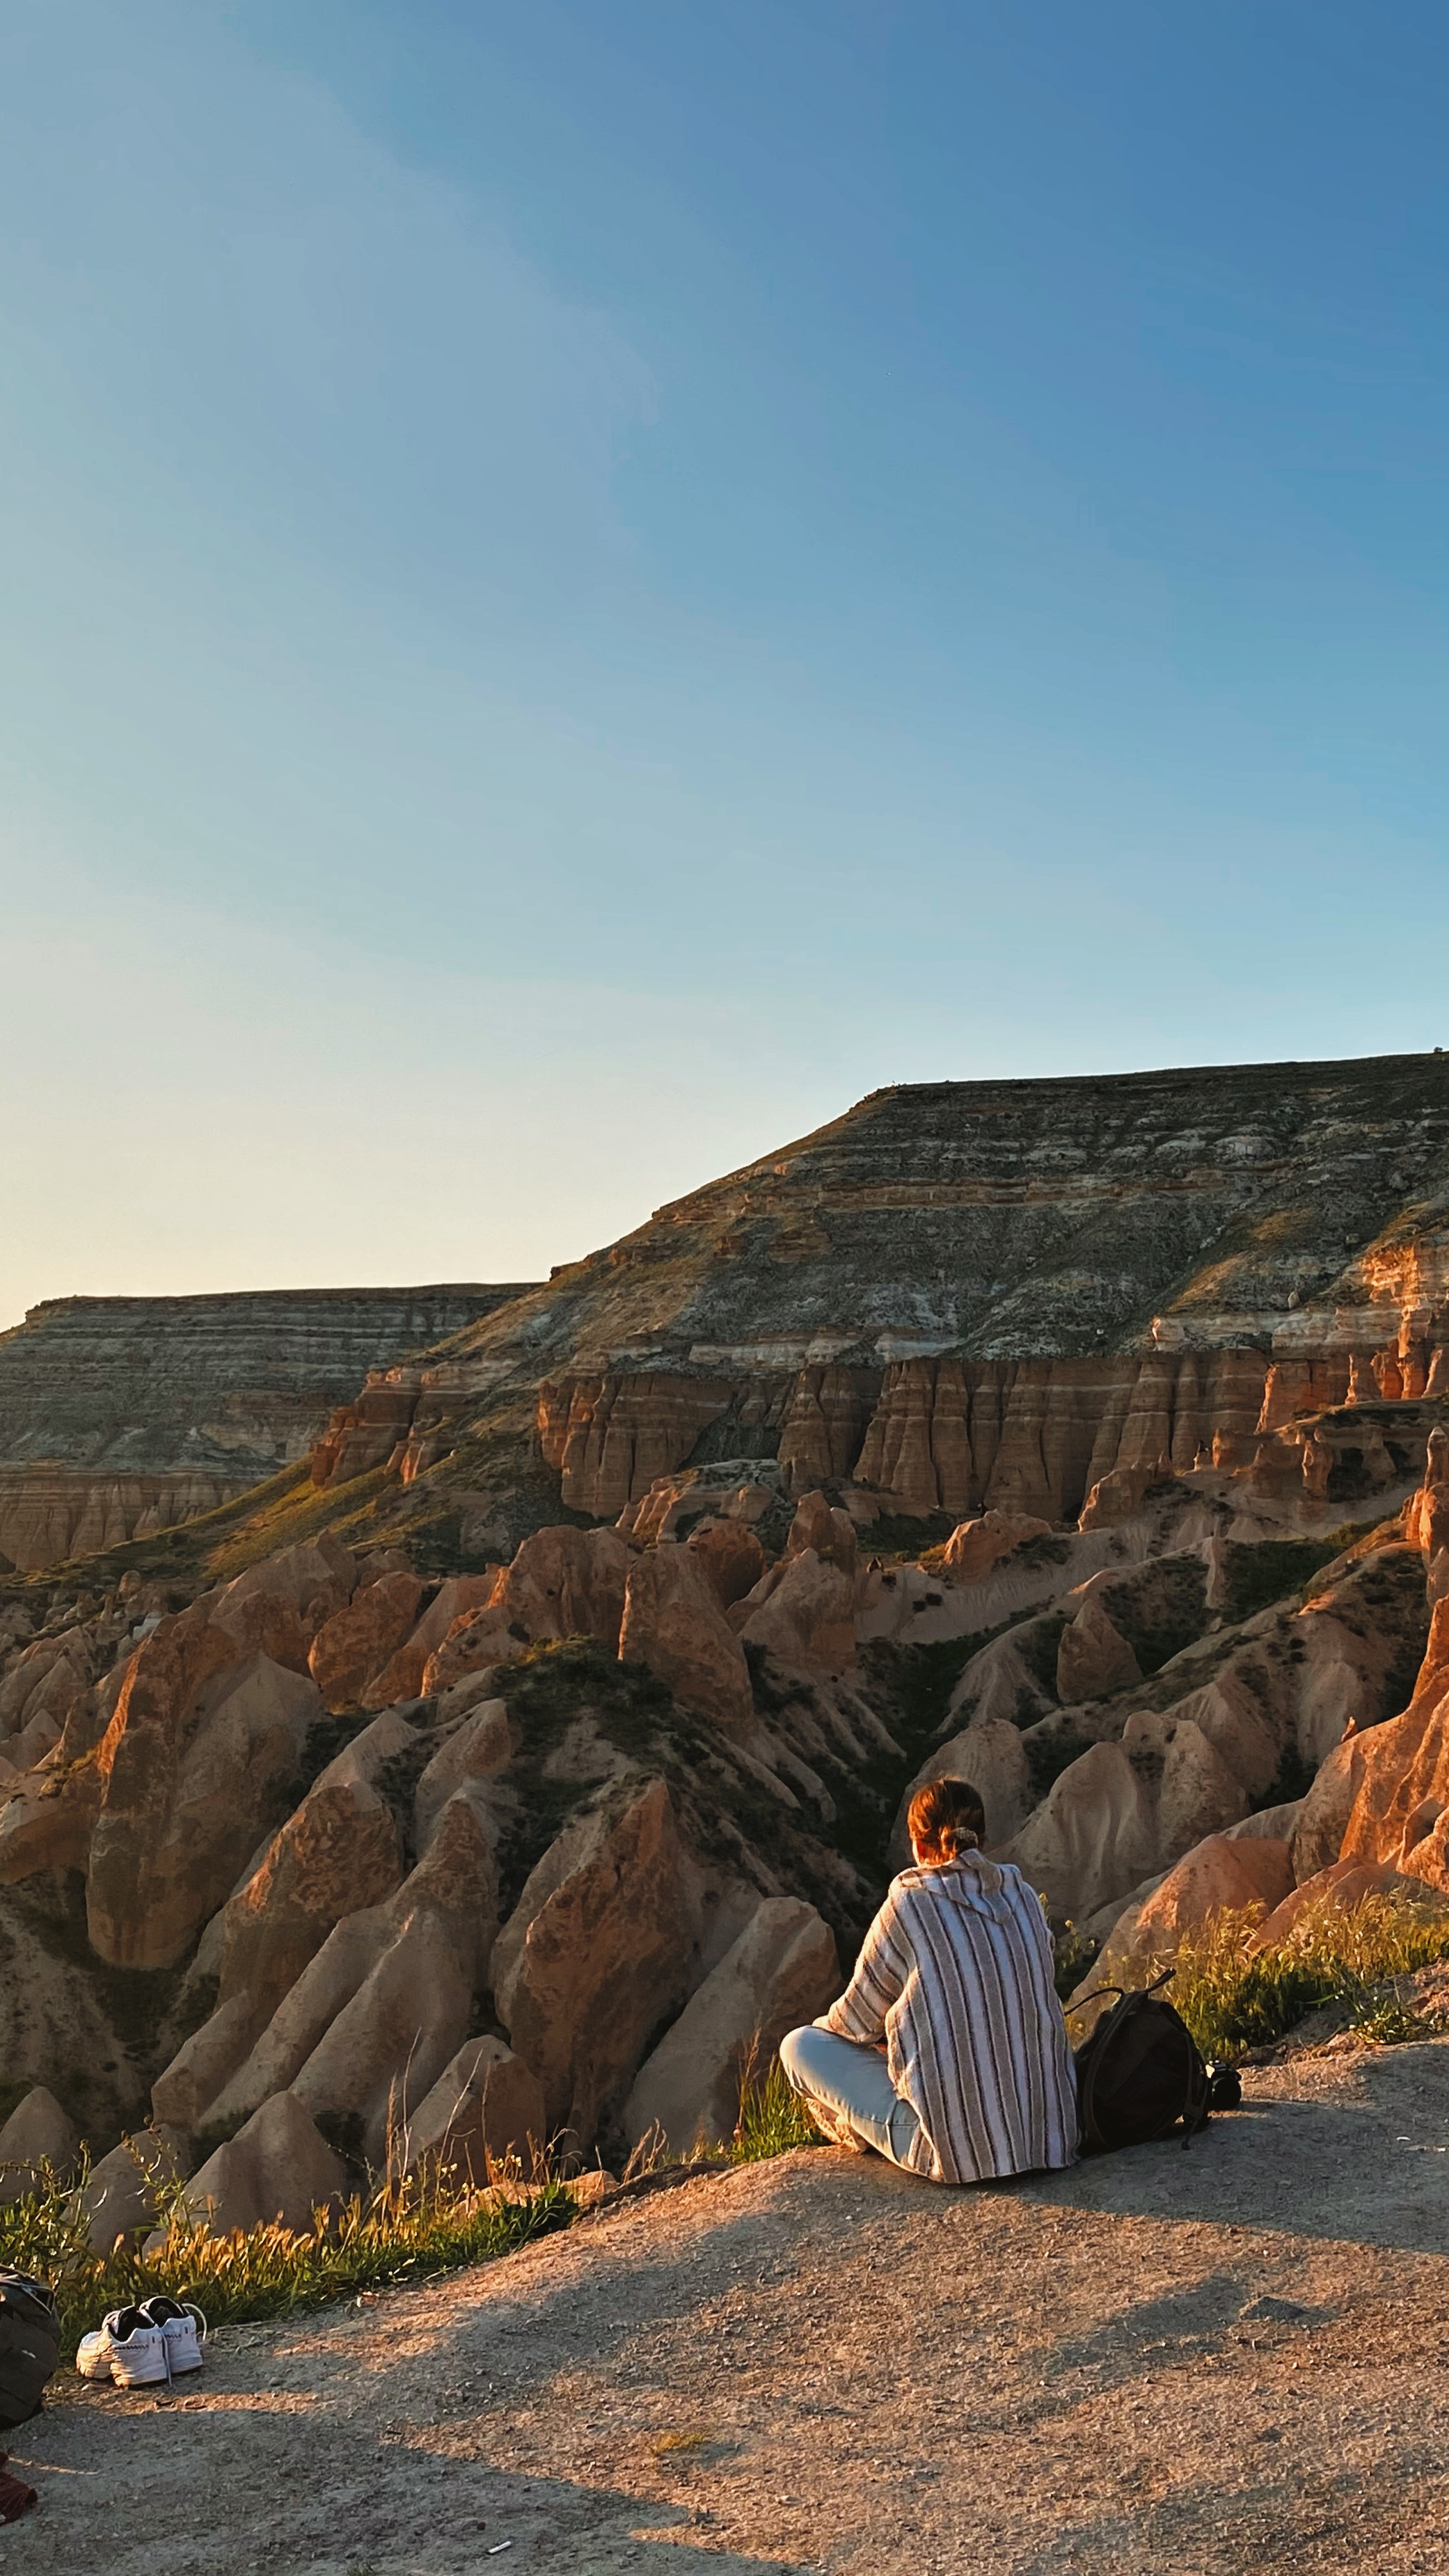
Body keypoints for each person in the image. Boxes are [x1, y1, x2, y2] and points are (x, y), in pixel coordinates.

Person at [779, 1775, 1077, 2184]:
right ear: (981, 1839)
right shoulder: (1022, 1895)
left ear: (918, 1847)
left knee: (800, 2047)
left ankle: (861, 2132)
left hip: (959, 2156)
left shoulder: (908, 1905)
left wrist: (878, 2045)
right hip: (1050, 2139)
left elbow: (852, 2025)